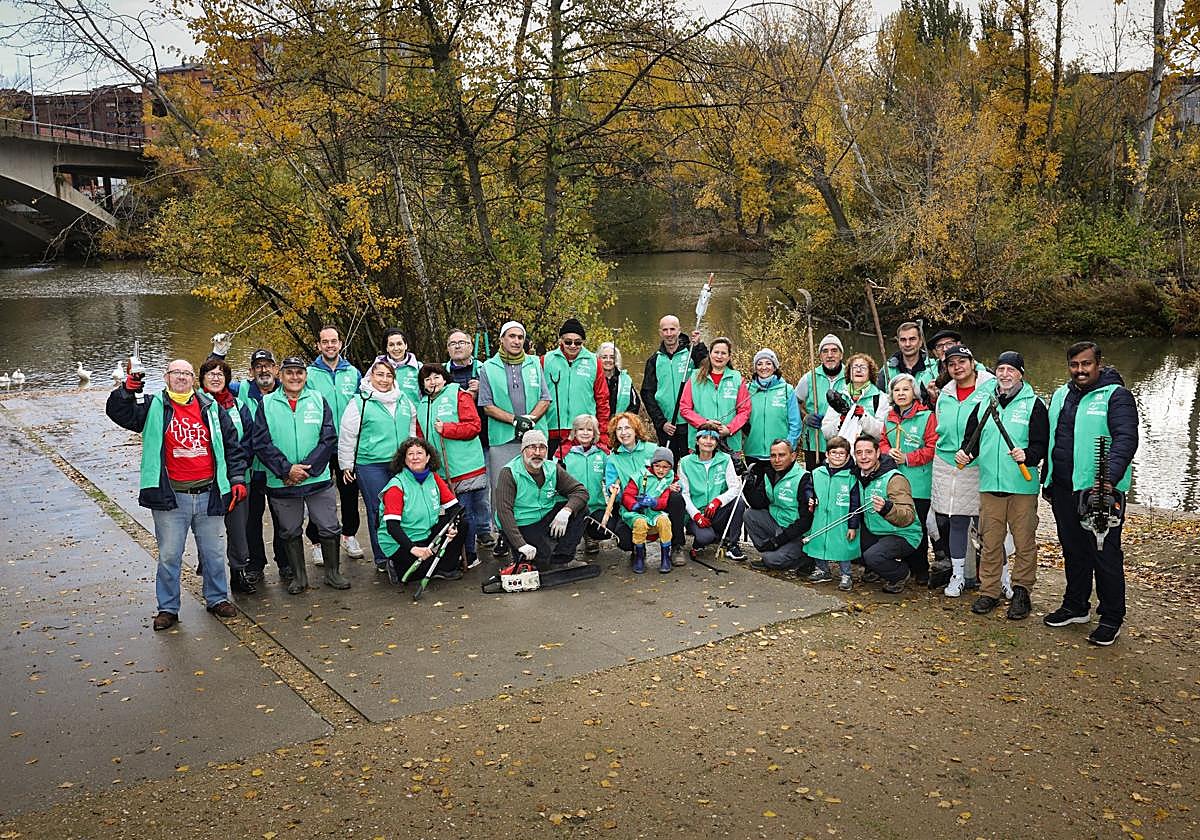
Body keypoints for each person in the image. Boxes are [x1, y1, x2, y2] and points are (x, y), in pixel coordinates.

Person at [106, 359, 247, 631]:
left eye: (186, 373)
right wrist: (127, 388)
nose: (181, 377)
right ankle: (168, 608)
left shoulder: (211, 407)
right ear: (166, 376)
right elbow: (117, 412)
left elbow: (232, 445)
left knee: (214, 553)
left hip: (209, 493)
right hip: (171, 497)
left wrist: (237, 478)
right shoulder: (151, 406)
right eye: (176, 373)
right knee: (170, 555)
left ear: (194, 378)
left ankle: (217, 598)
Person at [1041, 341, 1138, 646]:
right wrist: (1048, 480)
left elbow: (1126, 438)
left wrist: (1109, 478)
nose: (1080, 370)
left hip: (1100, 492)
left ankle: (1111, 617)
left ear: (1098, 363)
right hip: (1063, 488)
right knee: (1073, 550)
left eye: (1086, 364)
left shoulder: (1116, 396)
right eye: (1074, 365)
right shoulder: (1060, 395)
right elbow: (1052, 438)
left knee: (1104, 554)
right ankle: (1075, 605)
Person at [961, 351, 1049, 621]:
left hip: (1021, 486)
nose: (1005, 374)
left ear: (1021, 373)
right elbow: (971, 441)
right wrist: (965, 453)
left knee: (1024, 542)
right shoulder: (985, 404)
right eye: (1001, 369)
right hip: (990, 485)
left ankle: (1022, 591)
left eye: (1011, 370)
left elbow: (1042, 445)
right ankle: (989, 591)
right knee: (990, 542)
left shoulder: (1034, 404)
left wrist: (1029, 455)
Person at [251, 355, 346, 594]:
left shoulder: (317, 399)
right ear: (280, 376)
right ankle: (299, 577)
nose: (295, 377)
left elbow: (328, 439)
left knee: (329, 527)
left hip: (317, 480)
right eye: (289, 373)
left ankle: (333, 573)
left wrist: (307, 469)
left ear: (306, 375)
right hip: (282, 481)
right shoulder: (267, 403)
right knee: (290, 530)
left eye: (299, 372)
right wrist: (286, 469)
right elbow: (261, 442)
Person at [478, 320, 551, 557]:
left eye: (520, 337)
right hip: (503, 437)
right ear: (502, 339)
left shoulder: (533, 364)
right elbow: (487, 405)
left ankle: (533, 530)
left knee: (532, 485)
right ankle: (503, 534)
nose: (516, 341)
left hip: (533, 434)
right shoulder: (488, 367)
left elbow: (545, 398)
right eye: (511, 336)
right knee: (503, 488)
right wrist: (513, 420)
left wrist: (530, 419)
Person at [338, 360, 417, 571]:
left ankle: (405, 552)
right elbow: (347, 435)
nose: (383, 380)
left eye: (388, 375)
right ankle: (383, 557)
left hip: (400, 463)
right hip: (371, 464)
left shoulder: (404, 400)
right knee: (378, 510)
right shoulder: (360, 401)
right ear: (371, 377)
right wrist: (346, 464)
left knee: (402, 508)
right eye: (379, 375)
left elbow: (411, 432)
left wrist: (414, 458)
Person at [931, 344, 995, 596]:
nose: (957, 368)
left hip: (978, 463)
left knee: (987, 523)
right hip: (948, 463)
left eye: (962, 362)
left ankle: (996, 577)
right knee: (955, 519)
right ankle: (958, 575)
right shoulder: (945, 393)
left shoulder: (989, 388)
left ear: (972, 362)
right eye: (951, 364)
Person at [416, 363, 488, 570]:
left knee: (463, 513)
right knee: (449, 515)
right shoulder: (423, 405)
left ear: (444, 378)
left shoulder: (459, 395)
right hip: (440, 469)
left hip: (465, 466)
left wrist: (447, 429)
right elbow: (421, 436)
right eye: (427, 379)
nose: (432, 382)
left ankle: (470, 554)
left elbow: (474, 426)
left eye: (436, 377)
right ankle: (455, 554)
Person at [198, 358, 257, 594]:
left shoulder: (239, 405)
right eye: (210, 373)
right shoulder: (193, 405)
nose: (215, 377)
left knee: (238, 529)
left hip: (238, 478)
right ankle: (210, 577)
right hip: (205, 480)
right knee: (207, 531)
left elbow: (250, 439)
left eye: (220, 374)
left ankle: (238, 572)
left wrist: (239, 470)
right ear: (201, 378)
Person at [306, 326, 365, 562]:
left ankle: (349, 535)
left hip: (347, 444)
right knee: (317, 492)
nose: (330, 345)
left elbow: (362, 405)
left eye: (334, 341)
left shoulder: (353, 373)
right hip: (319, 444)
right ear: (318, 345)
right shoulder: (309, 373)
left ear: (340, 344)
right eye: (325, 342)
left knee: (350, 491)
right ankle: (317, 541)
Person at [493, 430, 590, 569]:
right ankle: (525, 551)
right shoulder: (509, 472)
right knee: (540, 563)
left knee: (581, 509)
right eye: (532, 447)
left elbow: (580, 491)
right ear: (523, 450)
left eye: (542, 447)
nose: (537, 453)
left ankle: (563, 558)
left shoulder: (552, 468)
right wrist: (521, 544)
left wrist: (566, 511)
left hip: (545, 516)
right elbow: (504, 512)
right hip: (522, 523)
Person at [377, 437, 465, 585]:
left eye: (419, 452)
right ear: (404, 460)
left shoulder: (434, 478)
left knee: (462, 524)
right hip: (400, 540)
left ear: (428, 457)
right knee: (417, 574)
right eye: (410, 454)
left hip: (425, 531)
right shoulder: (396, 486)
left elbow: (456, 508)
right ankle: (394, 564)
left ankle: (444, 569)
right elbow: (392, 527)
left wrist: (453, 526)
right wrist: (413, 549)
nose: (415, 457)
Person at [603, 412, 687, 563]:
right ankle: (638, 549)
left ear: (636, 430)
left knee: (676, 499)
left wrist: (676, 485)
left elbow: (670, 474)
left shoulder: (653, 449)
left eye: (627, 428)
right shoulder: (612, 459)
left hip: (659, 500)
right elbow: (611, 486)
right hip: (632, 506)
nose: (624, 432)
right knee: (624, 541)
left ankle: (677, 546)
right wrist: (613, 489)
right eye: (619, 429)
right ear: (615, 434)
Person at [237, 350, 290, 585]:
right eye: (258, 366)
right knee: (251, 519)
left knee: (283, 518)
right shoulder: (239, 391)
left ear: (276, 369)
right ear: (251, 371)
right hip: (252, 469)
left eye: (268, 365)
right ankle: (255, 564)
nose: (263, 370)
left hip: (278, 468)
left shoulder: (286, 390)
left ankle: (286, 563)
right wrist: (217, 353)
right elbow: (210, 380)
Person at [879, 373, 937, 584]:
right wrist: (887, 452)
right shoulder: (889, 417)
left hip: (918, 481)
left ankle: (921, 568)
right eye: (897, 390)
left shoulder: (927, 417)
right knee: (897, 521)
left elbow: (932, 448)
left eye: (905, 389)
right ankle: (903, 566)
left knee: (917, 525)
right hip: (895, 481)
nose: (901, 393)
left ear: (914, 393)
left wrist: (908, 457)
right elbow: (883, 441)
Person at [853, 435, 922, 594]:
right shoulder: (858, 475)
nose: (864, 457)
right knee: (847, 542)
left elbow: (908, 516)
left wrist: (887, 508)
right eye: (859, 452)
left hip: (902, 533)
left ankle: (900, 574)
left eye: (869, 452)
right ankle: (875, 568)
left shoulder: (894, 479)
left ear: (878, 453)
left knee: (873, 556)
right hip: (876, 530)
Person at [445, 328, 494, 547]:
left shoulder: (485, 370)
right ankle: (463, 531)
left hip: (482, 438)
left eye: (462, 342)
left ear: (470, 346)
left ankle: (484, 529)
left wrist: (482, 389)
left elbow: (498, 398)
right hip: (454, 442)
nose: (457, 346)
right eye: (452, 343)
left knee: (482, 491)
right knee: (459, 491)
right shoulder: (441, 373)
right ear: (447, 349)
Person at [640, 315, 707, 461]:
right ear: (660, 332)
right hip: (667, 425)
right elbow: (647, 394)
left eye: (672, 329)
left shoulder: (691, 354)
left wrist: (699, 346)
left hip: (690, 424)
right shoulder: (654, 360)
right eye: (665, 330)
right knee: (667, 465)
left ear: (679, 330)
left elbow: (708, 366)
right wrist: (661, 422)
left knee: (691, 464)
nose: (669, 333)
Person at [743, 439, 814, 573]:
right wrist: (748, 486)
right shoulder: (769, 473)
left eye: (781, 455)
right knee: (750, 514)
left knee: (771, 560)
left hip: (797, 533)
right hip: (776, 525)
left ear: (793, 456)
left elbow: (806, 521)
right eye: (773, 455)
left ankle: (805, 558)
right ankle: (772, 551)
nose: (776, 460)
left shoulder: (803, 478)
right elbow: (759, 503)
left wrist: (778, 541)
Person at [542, 318, 610, 452]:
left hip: (584, 432)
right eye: (568, 342)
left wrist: (602, 432)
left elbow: (602, 399)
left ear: (583, 342)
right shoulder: (546, 360)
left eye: (577, 342)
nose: (573, 346)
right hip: (553, 429)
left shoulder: (594, 362)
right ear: (560, 340)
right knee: (553, 471)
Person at [678, 429, 746, 561]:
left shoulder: (725, 459)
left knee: (739, 502)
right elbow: (684, 494)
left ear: (717, 442)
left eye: (713, 438)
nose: (708, 441)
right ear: (697, 441)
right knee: (705, 538)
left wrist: (718, 501)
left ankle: (732, 544)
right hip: (697, 514)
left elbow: (735, 487)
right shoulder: (685, 462)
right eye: (704, 437)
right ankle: (709, 538)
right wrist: (696, 515)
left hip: (717, 511)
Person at [803, 435, 860, 591]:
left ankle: (846, 575)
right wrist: (810, 498)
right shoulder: (817, 473)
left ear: (848, 456)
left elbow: (855, 503)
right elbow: (809, 489)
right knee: (817, 543)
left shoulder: (851, 477)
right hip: (820, 518)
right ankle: (822, 570)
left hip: (841, 520)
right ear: (827, 454)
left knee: (843, 548)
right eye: (834, 452)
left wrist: (853, 526)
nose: (837, 456)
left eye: (842, 453)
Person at [679, 336, 751, 453]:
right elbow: (685, 408)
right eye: (716, 352)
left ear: (729, 357)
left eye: (723, 353)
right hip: (700, 441)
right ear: (710, 354)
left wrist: (729, 429)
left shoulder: (737, 378)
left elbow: (745, 410)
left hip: (730, 443)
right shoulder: (695, 377)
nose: (719, 356)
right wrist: (705, 424)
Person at [619, 448, 678, 574]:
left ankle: (665, 557)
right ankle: (639, 556)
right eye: (657, 466)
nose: (661, 470)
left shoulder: (669, 479)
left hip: (654, 512)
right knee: (640, 523)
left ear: (670, 468)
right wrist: (634, 505)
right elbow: (627, 495)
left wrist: (654, 502)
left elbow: (664, 500)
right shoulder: (640, 476)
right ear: (652, 464)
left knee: (664, 521)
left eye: (665, 467)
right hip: (637, 512)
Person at [796, 334, 847, 470]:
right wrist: (805, 416)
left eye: (834, 351)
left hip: (843, 444)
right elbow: (795, 402)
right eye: (825, 351)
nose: (829, 355)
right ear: (820, 356)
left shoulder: (851, 376)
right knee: (816, 484)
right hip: (815, 443)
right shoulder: (809, 378)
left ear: (841, 355)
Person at [743, 348, 801, 468]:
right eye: (759, 364)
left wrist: (789, 447)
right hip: (753, 452)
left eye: (768, 363)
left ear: (775, 367)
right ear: (755, 367)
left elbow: (795, 423)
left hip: (779, 455)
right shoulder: (747, 389)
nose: (764, 367)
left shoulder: (787, 390)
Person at [560, 414, 608, 555]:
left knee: (602, 525)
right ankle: (571, 542)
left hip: (596, 505)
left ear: (595, 433)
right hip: (572, 505)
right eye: (581, 429)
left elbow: (609, 478)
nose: (585, 433)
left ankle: (590, 536)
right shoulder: (564, 454)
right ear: (574, 432)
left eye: (589, 429)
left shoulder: (602, 454)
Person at [821, 352, 888, 444]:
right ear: (849, 372)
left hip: (867, 454)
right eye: (855, 367)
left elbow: (883, 433)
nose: (858, 370)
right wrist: (840, 421)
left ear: (870, 373)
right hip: (842, 454)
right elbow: (826, 432)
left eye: (863, 368)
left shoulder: (880, 398)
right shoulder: (839, 396)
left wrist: (864, 418)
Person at [878, 321, 937, 394]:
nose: (907, 344)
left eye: (912, 339)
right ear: (898, 342)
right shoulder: (887, 369)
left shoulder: (934, 368)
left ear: (920, 342)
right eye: (903, 340)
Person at [374, 328, 422, 403]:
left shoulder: (418, 367)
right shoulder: (376, 367)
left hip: (412, 413)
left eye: (399, 344)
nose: (396, 348)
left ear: (406, 345)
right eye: (391, 345)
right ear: (387, 348)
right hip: (385, 413)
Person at [598, 341, 640, 417]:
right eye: (604, 357)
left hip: (620, 424)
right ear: (598, 359)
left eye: (612, 357)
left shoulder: (625, 379)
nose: (608, 360)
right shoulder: (593, 378)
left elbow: (634, 405)